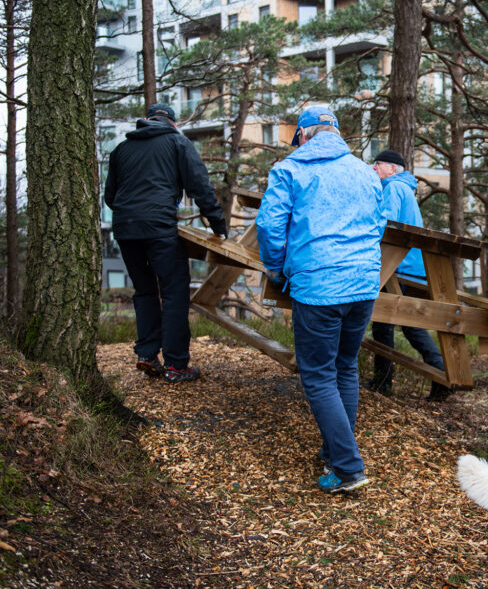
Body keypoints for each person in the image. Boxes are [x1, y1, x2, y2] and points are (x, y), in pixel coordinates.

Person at [256, 105, 385, 494]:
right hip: (363, 284)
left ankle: (348, 468)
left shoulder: (289, 170)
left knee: (318, 374)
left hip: (319, 286)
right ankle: (334, 452)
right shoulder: (366, 172)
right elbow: (378, 224)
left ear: (302, 135)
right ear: (337, 133)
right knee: (345, 367)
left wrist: (276, 269)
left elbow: (269, 225)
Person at [104, 102, 226, 383]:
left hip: (125, 228)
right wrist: (218, 225)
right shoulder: (177, 142)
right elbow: (199, 185)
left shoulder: (121, 149)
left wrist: (131, 213)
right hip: (159, 227)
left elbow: (110, 196)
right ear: (174, 123)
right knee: (174, 292)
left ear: (145, 119)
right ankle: (176, 365)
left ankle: (148, 354)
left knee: (144, 290)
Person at [367, 149, 452, 401]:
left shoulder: (393, 188)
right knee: (400, 324)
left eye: (378, 164)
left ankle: (388, 381)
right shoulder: (403, 188)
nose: (374, 168)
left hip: (397, 265)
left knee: (392, 325)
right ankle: (387, 381)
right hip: (407, 265)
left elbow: (387, 226)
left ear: (393, 168)